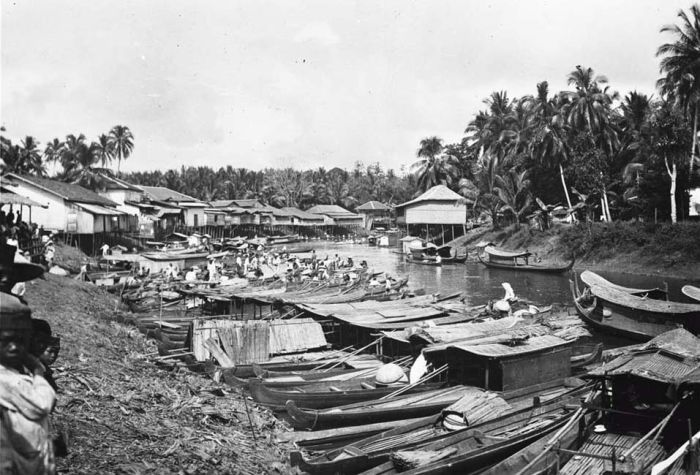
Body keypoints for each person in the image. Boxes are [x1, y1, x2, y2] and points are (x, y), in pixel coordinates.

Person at [0, 292, 56, 474]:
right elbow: (42, 404)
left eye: (20, 341)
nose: (15, 347)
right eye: (7, 341)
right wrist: (38, 372)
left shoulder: (14, 373)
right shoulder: (7, 380)